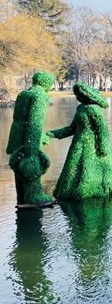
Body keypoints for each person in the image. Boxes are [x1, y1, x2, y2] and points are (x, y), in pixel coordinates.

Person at [47, 83, 112, 199]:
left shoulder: (94, 110)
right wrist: (53, 134)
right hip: (78, 143)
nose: (78, 98)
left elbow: (102, 130)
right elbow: (72, 128)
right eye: (77, 95)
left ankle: (92, 187)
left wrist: (103, 146)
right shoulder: (80, 108)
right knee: (75, 168)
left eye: (80, 95)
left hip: (92, 144)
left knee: (90, 167)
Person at [6, 72, 55, 206]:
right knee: (30, 166)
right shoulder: (40, 96)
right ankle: (34, 197)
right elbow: (34, 124)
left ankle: (22, 199)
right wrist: (31, 151)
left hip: (16, 138)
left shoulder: (23, 94)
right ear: (46, 84)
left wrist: (42, 137)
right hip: (29, 141)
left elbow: (20, 120)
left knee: (19, 171)